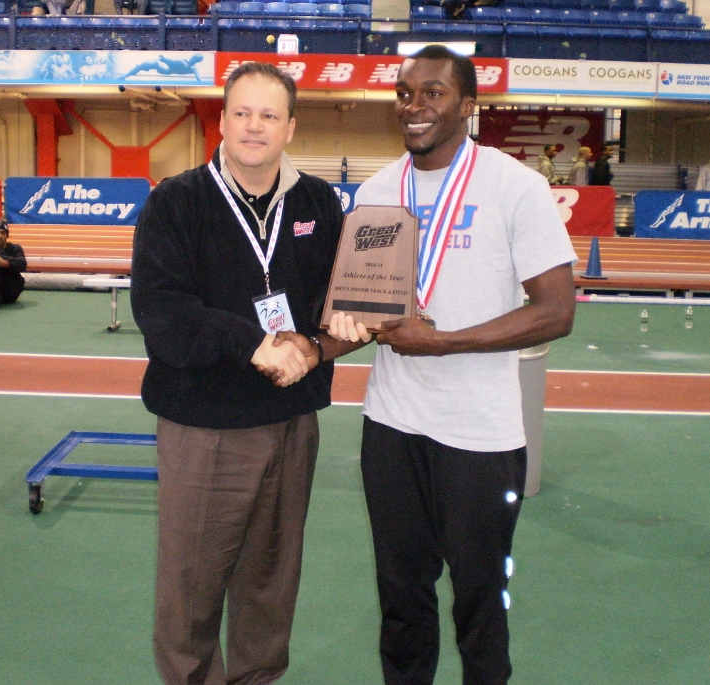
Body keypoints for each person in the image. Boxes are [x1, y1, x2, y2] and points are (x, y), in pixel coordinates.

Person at [328, 45, 578, 685]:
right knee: (402, 596)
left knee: (479, 598)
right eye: (406, 93)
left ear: (469, 105)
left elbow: (555, 312)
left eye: (433, 93)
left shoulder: (514, 185)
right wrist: (312, 347)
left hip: (480, 436)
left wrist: (444, 341)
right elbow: (363, 310)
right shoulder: (380, 190)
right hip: (391, 425)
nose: (415, 107)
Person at [130, 62, 359, 685]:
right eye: (241, 113)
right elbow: (163, 314)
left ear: (290, 126)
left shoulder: (319, 201)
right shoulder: (176, 202)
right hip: (205, 427)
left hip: (291, 423)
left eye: (268, 115)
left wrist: (342, 327)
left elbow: (335, 302)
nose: (253, 127)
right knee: (192, 591)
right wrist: (254, 344)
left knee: (270, 584)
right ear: (223, 121)